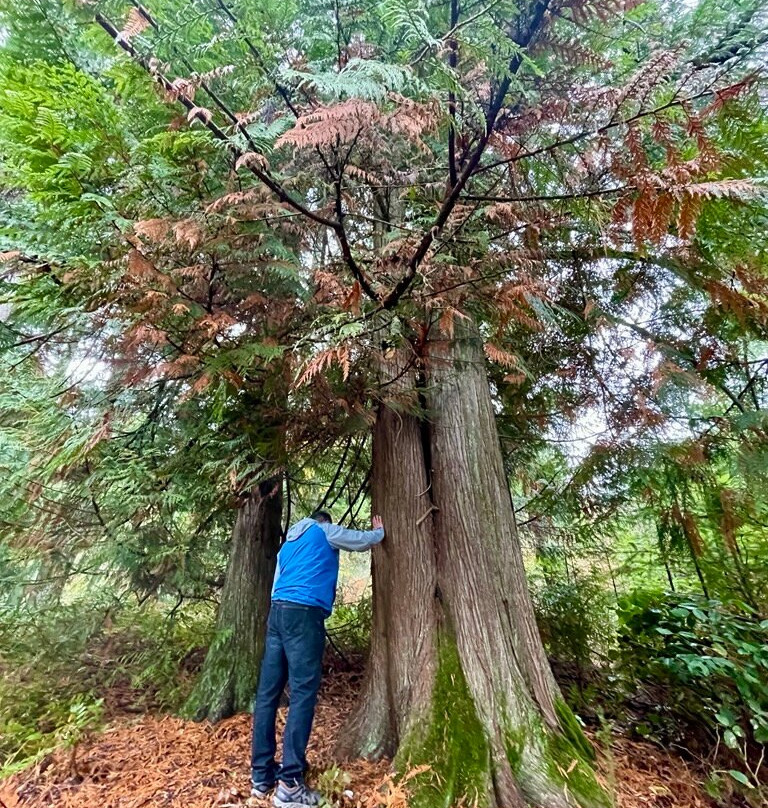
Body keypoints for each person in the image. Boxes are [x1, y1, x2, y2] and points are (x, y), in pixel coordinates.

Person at [250, 510, 385, 808]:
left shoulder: (287, 546)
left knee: (267, 695)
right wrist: (378, 534)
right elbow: (357, 540)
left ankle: (261, 776)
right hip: (304, 614)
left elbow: (276, 585)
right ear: (324, 522)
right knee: (302, 695)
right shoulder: (322, 531)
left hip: (277, 613)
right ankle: (290, 784)